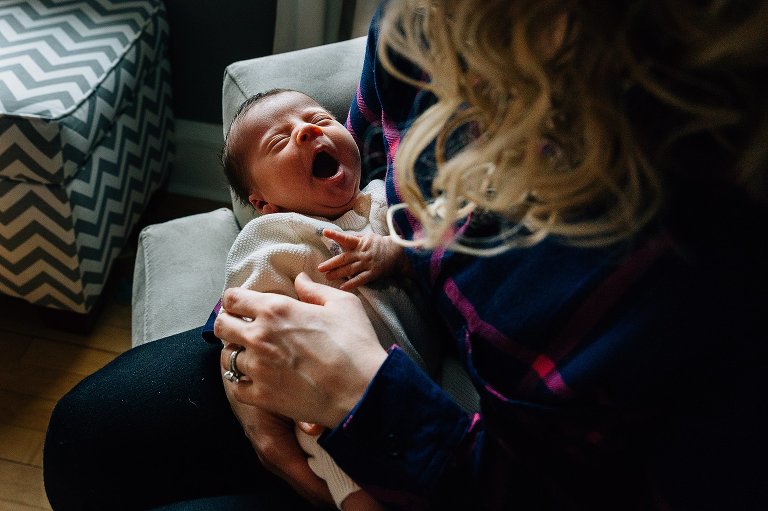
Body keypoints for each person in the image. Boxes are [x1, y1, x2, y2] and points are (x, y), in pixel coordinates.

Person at [44, 1, 768, 510]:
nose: (310, 132)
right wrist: (243, 368)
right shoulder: (427, 24)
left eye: (315, 121)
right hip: (347, 361)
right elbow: (272, 260)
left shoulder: (699, 265)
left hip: (465, 455)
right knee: (85, 440)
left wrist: (371, 397)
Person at [209, 88, 444, 510]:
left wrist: (395, 252)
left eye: (319, 120)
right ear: (263, 202)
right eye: (279, 142)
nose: (305, 132)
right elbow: (241, 305)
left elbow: (436, 249)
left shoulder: (383, 200)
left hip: (420, 388)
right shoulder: (271, 235)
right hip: (319, 399)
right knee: (348, 481)